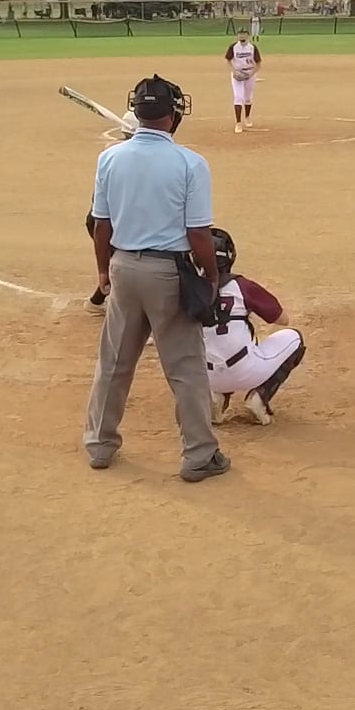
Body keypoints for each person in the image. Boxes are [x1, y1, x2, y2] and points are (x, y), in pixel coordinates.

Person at [84, 75, 230, 482]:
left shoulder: (110, 158)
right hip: (169, 273)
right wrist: (211, 275)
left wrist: (103, 270)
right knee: (185, 367)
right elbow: (198, 233)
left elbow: (101, 224)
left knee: (114, 362)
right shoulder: (190, 163)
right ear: (173, 115)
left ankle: (99, 444)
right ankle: (199, 454)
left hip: (123, 268)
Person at [203, 227, 306, 426]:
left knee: (208, 345)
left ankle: (215, 396)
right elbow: (282, 319)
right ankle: (259, 397)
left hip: (205, 376)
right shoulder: (242, 286)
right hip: (246, 371)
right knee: (294, 338)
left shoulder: (190, 289)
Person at [84, 109, 140, 315]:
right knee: (130, 266)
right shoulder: (125, 157)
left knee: (121, 264)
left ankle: (97, 300)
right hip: (113, 223)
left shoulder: (112, 153)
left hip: (103, 219)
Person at [223, 28, 261, 134]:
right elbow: (228, 60)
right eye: (240, 34)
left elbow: (258, 64)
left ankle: (247, 117)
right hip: (238, 74)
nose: (241, 36)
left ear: (247, 35)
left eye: (244, 34)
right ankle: (238, 123)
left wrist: (251, 73)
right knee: (238, 97)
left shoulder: (252, 48)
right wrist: (234, 71)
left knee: (248, 98)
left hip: (250, 73)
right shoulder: (233, 47)